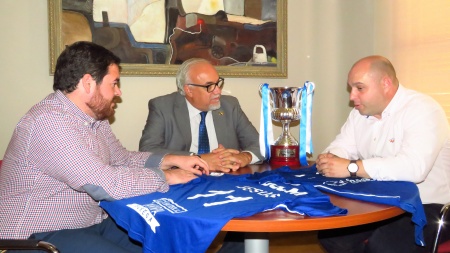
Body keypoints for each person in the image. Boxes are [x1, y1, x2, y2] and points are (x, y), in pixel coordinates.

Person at [0, 41, 209, 253]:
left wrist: (171, 160)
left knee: (165, 242)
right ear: (88, 83)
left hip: (89, 224)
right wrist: (167, 176)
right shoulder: (49, 122)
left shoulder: (95, 119)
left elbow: (122, 159)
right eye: (114, 83)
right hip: (36, 238)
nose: (118, 92)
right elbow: (106, 184)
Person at [315, 55, 450, 253]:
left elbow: (415, 168)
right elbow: (340, 147)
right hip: (381, 201)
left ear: (385, 84)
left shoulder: (423, 110)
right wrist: (330, 158)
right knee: (333, 236)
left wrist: (352, 167)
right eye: (351, 88)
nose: (352, 97)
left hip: (428, 205)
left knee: (384, 246)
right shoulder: (359, 114)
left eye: (359, 88)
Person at [139, 58, 264, 172]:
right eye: (209, 86)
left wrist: (245, 157)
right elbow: (147, 151)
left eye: (218, 83)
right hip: (182, 179)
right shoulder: (163, 107)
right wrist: (198, 158)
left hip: (226, 179)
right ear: (189, 90)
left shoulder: (230, 105)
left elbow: (260, 144)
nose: (218, 91)